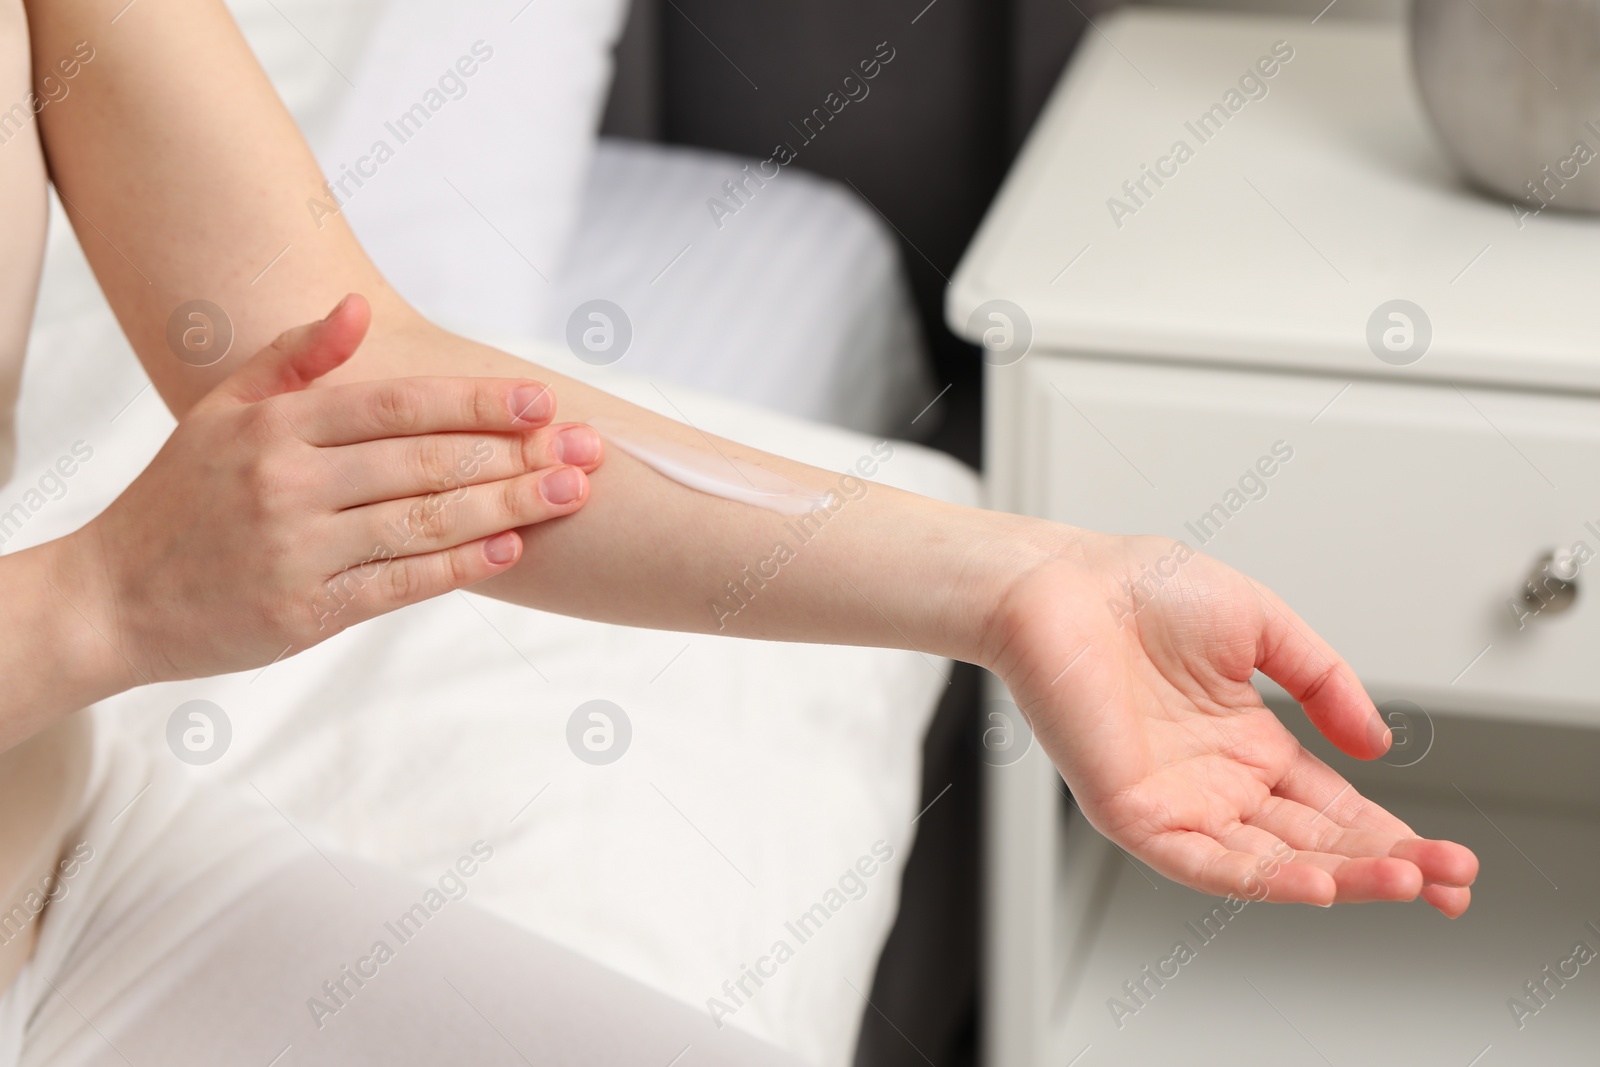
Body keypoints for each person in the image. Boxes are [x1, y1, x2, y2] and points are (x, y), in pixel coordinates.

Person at [0, 0, 1478, 1062]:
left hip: (62, 871)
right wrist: (93, 607)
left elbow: (380, 395)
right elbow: (107, 592)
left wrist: (1025, 582)